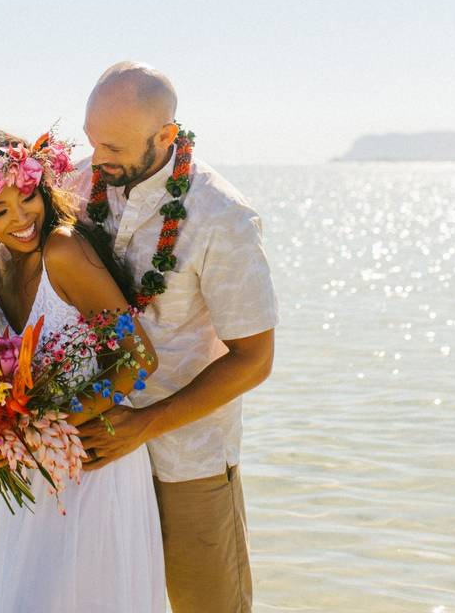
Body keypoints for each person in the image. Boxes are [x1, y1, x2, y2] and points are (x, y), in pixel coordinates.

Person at [71, 62, 279, 613]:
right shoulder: (74, 184)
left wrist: (146, 423)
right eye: (92, 140)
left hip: (187, 458)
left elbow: (255, 360)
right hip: (90, 452)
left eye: (112, 146)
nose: (97, 158)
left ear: (166, 136)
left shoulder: (222, 216)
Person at [0, 129, 166, 612]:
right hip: (33, 478)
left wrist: (42, 431)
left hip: (92, 462)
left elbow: (137, 358)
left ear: (39, 185)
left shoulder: (63, 251)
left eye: (26, 198)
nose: (21, 220)